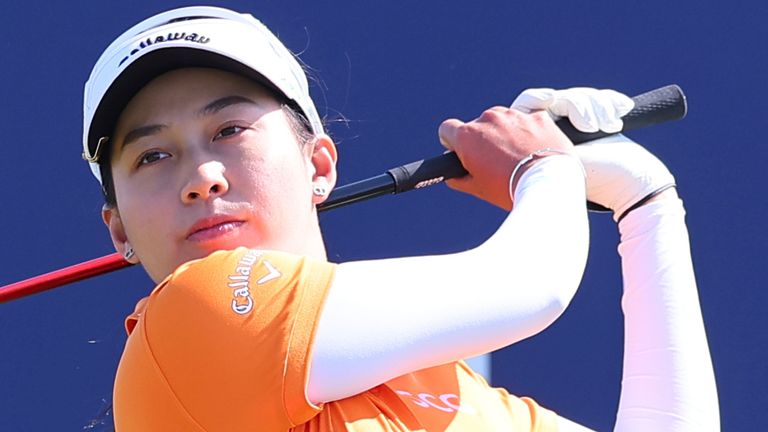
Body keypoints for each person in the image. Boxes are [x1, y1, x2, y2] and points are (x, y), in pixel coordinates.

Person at [82, 6, 719, 431]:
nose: (202, 177)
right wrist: (541, 168)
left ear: (319, 166)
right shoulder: (189, 319)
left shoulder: (467, 399)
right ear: (118, 230)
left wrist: (646, 207)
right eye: (153, 155)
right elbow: (531, 288)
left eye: (228, 129)